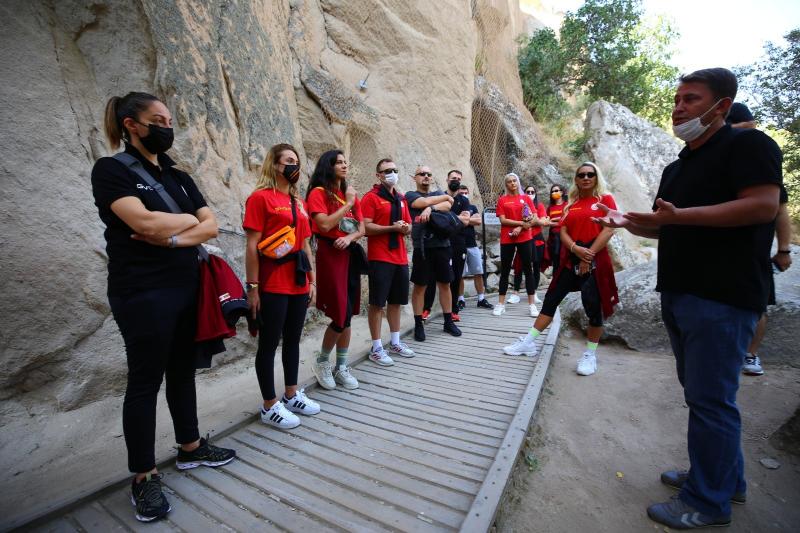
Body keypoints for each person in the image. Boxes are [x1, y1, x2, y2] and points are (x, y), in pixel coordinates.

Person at [594, 68, 782, 529]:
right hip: (680, 293)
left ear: (722, 105)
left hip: (723, 295)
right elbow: (666, 223)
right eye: (677, 98)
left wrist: (682, 217)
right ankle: (722, 478)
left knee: (711, 400)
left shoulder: (749, 146)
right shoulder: (678, 166)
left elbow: (763, 205)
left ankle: (708, 501)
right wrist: (629, 222)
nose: (679, 107)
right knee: (703, 397)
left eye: (692, 99)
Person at [91, 92, 235, 522]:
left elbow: (211, 224)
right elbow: (142, 222)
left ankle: (190, 446)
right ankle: (144, 476)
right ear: (131, 124)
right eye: (157, 119)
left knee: (182, 371)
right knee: (144, 381)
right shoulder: (111, 170)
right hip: (142, 292)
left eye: (169, 119)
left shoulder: (178, 174)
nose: (166, 127)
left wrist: (176, 234)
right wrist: (191, 223)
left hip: (186, 287)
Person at [503, 163, 618, 378]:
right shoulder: (571, 204)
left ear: (596, 177)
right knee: (551, 298)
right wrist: (575, 248)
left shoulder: (605, 199)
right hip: (571, 258)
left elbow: (609, 228)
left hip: (594, 258)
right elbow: (563, 230)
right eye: (581, 175)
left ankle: (590, 355)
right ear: (575, 179)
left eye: (590, 174)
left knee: (593, 305)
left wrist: (588, 254)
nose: (586, 178)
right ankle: (528, 343)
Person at [243, 143, 320, 431]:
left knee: (292, 340)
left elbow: (305, 245)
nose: (294, 166)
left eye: (297, 161)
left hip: (298, 280)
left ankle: (291, 394)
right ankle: (269, 404)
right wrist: (253, 287)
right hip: (273, 281)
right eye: (288, 160)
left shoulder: (299, 202)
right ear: (275, 165)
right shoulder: (260, 198)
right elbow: (252, 247)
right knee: (268, 343)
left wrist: (313, 281)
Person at [725, 103, 793, 376]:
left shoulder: (759, 157)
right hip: (720, 250)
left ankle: (750, 354)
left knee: (757, 304)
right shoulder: (721, 161)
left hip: (754, 250)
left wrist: (785, 249)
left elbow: (780, 210)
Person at [307, 150, 366, 388]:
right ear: (327, 167)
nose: (344, 165)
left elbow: (361, 228)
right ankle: (322, 361)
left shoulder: (347, 193)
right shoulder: (319, 193)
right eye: (338, 162)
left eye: (345, 162)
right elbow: (323, 223)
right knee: (339, 313)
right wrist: (349, 203)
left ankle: (341, 365)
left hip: (348, 253)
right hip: (330, 253)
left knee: (349, 312)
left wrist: (350, 238)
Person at [361, 158, 416, 363]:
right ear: (378, 175)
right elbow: (366, 227)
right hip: (380, 257)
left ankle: (395, 341)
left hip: (400, 258)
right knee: (377, 304)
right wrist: (392, 228)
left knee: (396, 302)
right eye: (386, 171)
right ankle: (376, 348)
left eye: (394, 169)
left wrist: (404, 228)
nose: (392, 173)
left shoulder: (401, 198)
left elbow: (410, 226)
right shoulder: (371, 198)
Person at [407, 166, 469, 341]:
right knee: (420, 287)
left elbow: (449, 202)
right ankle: (419, 324)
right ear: (415, 177)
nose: (426, 177)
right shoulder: (411, 195)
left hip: (443, 245)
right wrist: (433, 204)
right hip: (423, 248)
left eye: (429, 174)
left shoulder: (437, 193)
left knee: (445, 284)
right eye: (422, 174)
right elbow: (426, 202)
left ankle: (448, 321)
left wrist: (431, 209)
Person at [421, 170, 472, 321]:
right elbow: (435, 217)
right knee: (431, 277)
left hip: (458, 242)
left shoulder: (464, 200)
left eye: (458, 178)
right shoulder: (439, 197)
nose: (455, 180)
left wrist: (446, 217)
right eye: (453, 178)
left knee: (456, 276)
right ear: (447, 180)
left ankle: (454, 310)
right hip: (440, 242)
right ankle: (426, 308)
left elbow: (466, 220)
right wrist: (455, 218)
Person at [492, 173, 538, 317]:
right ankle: (500, 304)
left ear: (518, 183)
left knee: (528, 270)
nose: (512, 183)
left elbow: (534, 217)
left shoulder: (525, 198)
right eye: (509, 182)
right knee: (505, 271)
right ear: (506, 185)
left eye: (514, 181)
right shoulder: (502, 200)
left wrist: (521, 228)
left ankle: (532, 305)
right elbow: (503, 220)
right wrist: (520, 223)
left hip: (525, 237)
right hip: (507, 238)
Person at [510, 184, 549, 307]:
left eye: (532, 192)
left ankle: (534, 292)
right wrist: (533, 220)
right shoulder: (520, 205)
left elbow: (543, 221)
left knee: (535, 267)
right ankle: (516, 292)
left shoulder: (540, 206)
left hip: (537, 240)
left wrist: (527, 222)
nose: (530, 194)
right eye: (528, 192)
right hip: (522, 240)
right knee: (519, 266)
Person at [457, 184, 493, 309]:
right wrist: (467, 219)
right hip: (458, 245)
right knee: (460, 274)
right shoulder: (454, 206)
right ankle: (461, 299)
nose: (464, 195)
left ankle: (481, 299)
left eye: (466, 192)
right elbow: (452, 220)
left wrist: (462, 219)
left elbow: (478, 221)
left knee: (478, 272)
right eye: (461, 193)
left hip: (472, 245)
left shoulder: (472, 207)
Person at [542, 183, 567, 274]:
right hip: (553, 236)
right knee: (555, 256)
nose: (554, 193)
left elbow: (568, 220)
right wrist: (559, 221)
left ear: (562, 192)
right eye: (552, 191)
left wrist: (555, 221)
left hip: (565, 235)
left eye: (556, 191)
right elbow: (546, 221)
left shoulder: (567, 205)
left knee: (564, 256)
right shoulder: (550, 207)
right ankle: (555, 279)